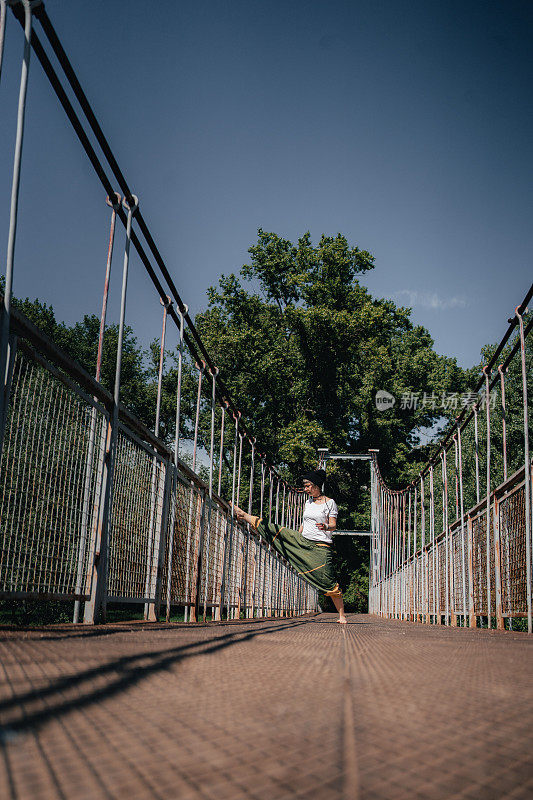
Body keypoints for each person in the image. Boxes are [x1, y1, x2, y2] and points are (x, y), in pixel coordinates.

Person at [233, 468, 347, 623]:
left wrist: (326, 527)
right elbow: (304, 523)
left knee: (328, 581)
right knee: (277, 531)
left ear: (316, 486)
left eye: (307, 486)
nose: (305, 489)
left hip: (321, 547)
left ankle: (341, 615)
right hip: (303, 540)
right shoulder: (308, 502)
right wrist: (295, 538)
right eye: (305, 486)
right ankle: (246, 516)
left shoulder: (330, 503)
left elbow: (333, 525)